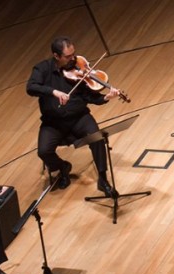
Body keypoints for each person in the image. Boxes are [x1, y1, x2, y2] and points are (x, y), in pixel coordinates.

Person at [26, 36, 121, 196]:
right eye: (68, 56)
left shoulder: (78, 69)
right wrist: (53, 92)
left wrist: (106, 97)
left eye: (74, 54)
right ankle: (63, 167)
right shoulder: (43, 69)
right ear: (56, 56)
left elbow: (90, 97)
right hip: (53, 122)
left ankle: (103, 180)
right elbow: (31, 87)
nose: (74, 59)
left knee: (97, 139)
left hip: (79, 118)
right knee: (43, 151)